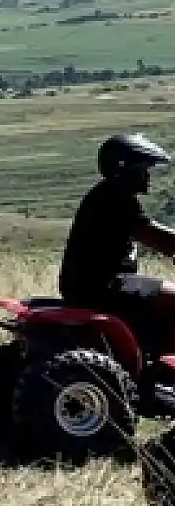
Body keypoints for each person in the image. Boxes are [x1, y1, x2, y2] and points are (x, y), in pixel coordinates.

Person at [59, 132, 175, 348]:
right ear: (124, 168)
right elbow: (154, 237)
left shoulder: (103, 194)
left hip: (84, 286)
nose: (147, 176)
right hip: (107, 285)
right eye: (142, 170)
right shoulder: (118, 198)